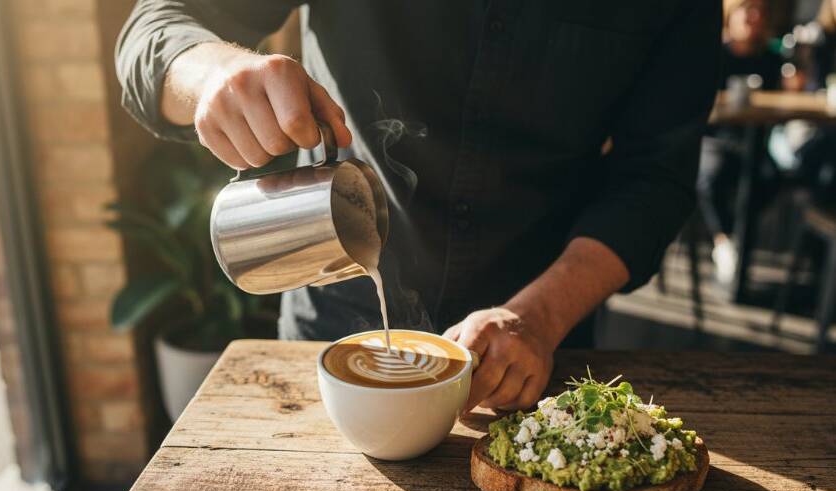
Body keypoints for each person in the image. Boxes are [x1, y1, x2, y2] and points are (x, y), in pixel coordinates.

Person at [116, 1, 720, 413]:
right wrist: (213, 71)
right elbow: (155, 26)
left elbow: (656, 175)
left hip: (533, 347)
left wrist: (539, 316)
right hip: (332, 326)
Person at [696, 0, 782, 285]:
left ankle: (735, 237)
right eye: (747, 9)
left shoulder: (772, 59)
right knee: (712, 174)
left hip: (753, 141)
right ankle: (725, 240)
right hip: (716, 137)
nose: (752, 17)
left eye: (759, 11)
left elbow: (779, 107)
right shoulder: (713, 54)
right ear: (731, 15)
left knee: (770, 177)